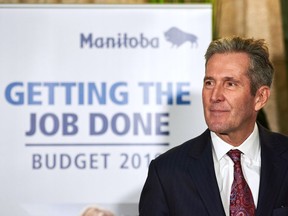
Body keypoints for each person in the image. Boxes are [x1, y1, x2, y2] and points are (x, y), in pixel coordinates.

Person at [138, 36, 288, 216]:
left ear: (260, 97)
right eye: (209, 83)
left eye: (230, 84)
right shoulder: (166, 173)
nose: (215, 96)